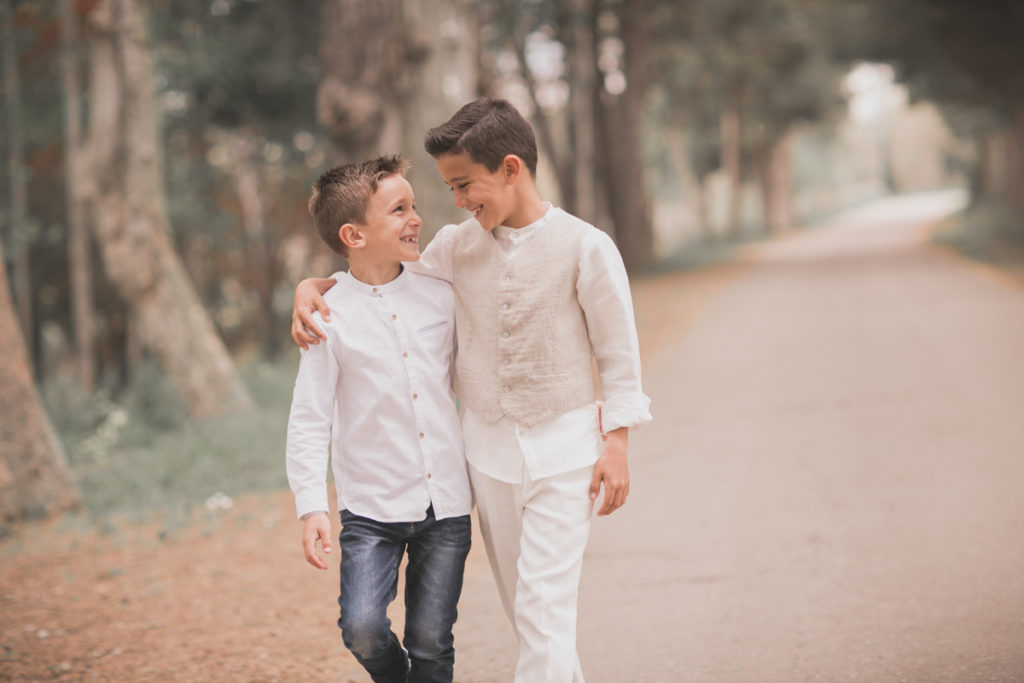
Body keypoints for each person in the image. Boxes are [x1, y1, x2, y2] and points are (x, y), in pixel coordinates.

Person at [292, 98, 652, 683]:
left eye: (463, 185)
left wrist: (617, 441)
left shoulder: (586, 246)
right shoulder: (455, 248)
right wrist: (315, 285)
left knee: (542, 607)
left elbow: (618, 353)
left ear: (510, 169)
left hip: (566, 451)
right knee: (528, 612)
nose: (457, 201)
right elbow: (381, 278)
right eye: (450, 188)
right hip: (487, 458)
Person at [285, 154, 472, 683]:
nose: (416, 218)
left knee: (432, 643)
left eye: (413, 205)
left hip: (446, 503)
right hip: (370, 507)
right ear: (354, 234)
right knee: (362, 628)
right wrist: (311, 507)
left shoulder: (440, 291)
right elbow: (309, 418)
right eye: (399, 210)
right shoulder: (327, 317)